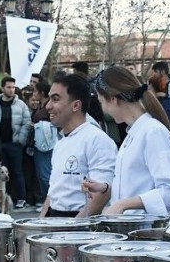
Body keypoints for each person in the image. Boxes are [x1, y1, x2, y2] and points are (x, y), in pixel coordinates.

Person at [84, 66, 170, 216]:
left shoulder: (153, 132)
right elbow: (135, 185)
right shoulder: (134, 133)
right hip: (129, 230)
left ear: (113, 99)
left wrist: (123, 205)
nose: (103, 109)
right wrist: (104, 188)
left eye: (102, 102)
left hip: (146, 233)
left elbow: (169, 192)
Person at [40, 74, 116, 218]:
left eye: (55, 99)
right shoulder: (60, 142)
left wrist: (75, 227)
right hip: (55, 221)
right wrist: (39, 225)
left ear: (76, 105)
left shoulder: (97, 140)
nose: (48, 106)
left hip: (78, 225)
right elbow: (53, 192)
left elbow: (101, 193)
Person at [0, 76, 31, 209]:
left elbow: (26, 122)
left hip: (15, 143)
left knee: (17, 171)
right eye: (9, 87)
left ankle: (21, 198)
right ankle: (4, 199)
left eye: (13, 87)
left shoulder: (21, 105)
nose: (12, 90)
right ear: (2, 88)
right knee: (1, 172)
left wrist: (21, 139)